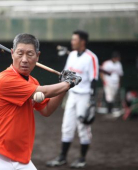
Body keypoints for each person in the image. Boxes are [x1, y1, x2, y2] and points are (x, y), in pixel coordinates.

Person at [0, 33, 81, 170]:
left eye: (30, 54)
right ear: (12, 53)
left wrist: (63, 88)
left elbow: (47, 110)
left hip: (21, 160)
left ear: (37, 56)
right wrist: (68, 84)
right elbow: (45, 91)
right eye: (20, 53)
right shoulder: (4, 79)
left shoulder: (32, 82)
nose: (24, 59)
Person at [46, 30, 99, 168]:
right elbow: (65, 74)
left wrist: (92, 101)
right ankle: (62, 157)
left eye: (74, 39)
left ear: (82, 41)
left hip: (85, 96)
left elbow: (94, 80)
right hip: (72, 95)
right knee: (67, 126)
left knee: (83, 127)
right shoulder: (72, 55)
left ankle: (82, 159)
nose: (72, 42)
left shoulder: (91, 57)